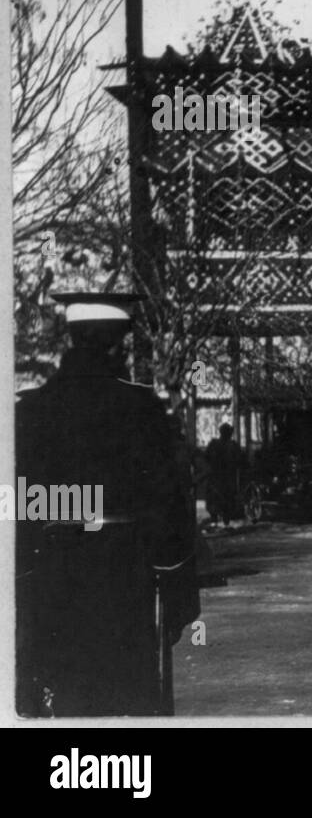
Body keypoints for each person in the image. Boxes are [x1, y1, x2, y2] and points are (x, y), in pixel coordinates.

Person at [15, 291, 198, 717]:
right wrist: (175, 580)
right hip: (125, 573)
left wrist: (25, 569)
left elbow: (20, 501)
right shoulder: (143, 408)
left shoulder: (31, 410)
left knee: (63, 687)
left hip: (52, 568)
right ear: (118, 343)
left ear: (72, 338)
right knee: (125, 692)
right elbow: (170, 500)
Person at [203, 422, 246, 528]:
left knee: (224, 497)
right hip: (221, 476)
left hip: (224, 476)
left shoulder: (227, 445)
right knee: (220, 497)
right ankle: (220, 516)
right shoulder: (223, 445)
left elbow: (239, 459)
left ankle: (222, 516)